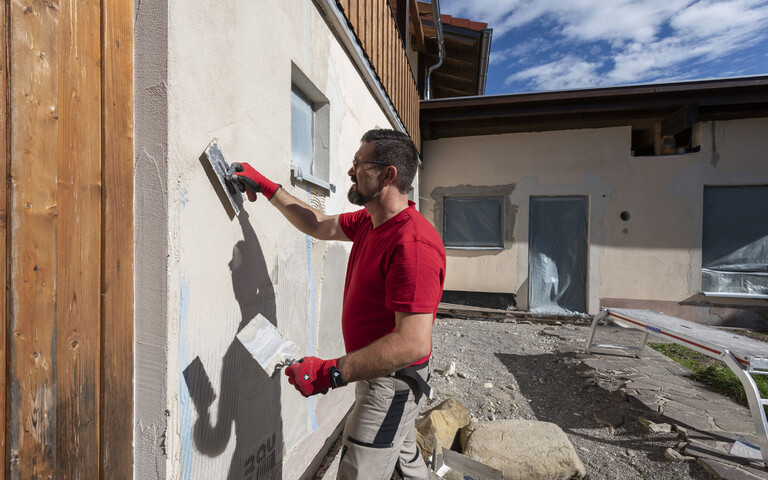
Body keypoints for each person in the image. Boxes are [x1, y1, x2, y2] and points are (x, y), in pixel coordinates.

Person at [229, 128, 446, 479]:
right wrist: (267, 187)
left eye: (360, 164)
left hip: (390, 381)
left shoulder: (414, 245)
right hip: (378, 372)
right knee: (404, 466)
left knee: (359, 469)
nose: (351, 171)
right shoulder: (370, 221)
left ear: (388, 174)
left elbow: (413, 341)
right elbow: (317, 223)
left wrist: (331, 372)